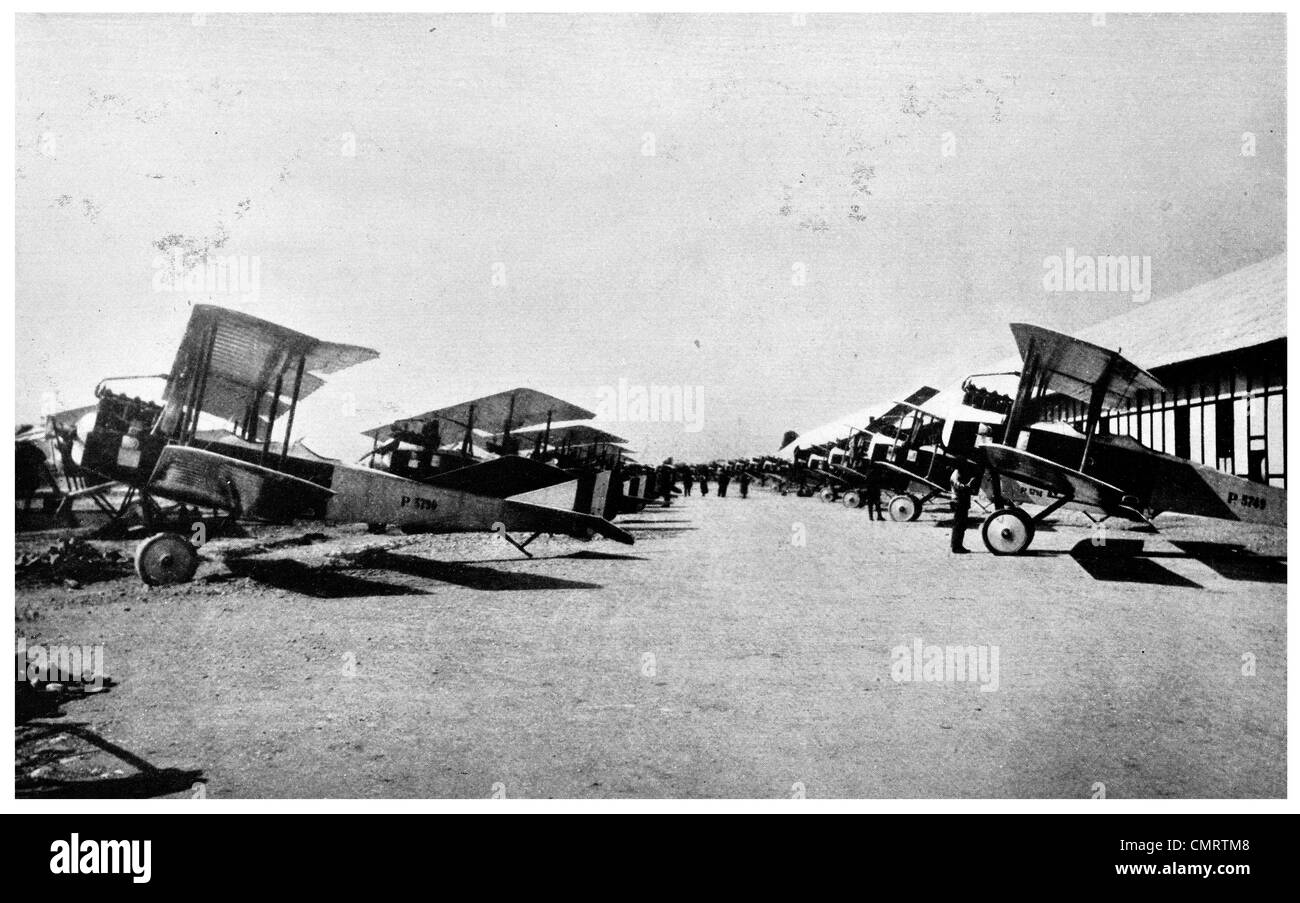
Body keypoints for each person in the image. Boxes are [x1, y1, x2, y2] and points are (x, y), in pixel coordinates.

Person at [949, 464, 976, 553]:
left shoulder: (958, 474)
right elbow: (959, 486)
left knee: (961, 525)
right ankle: (956, 546)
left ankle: (956, 545)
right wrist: (969, 484)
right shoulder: (956, 475)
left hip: (961, 502)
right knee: (959, 525)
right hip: (959, 502)